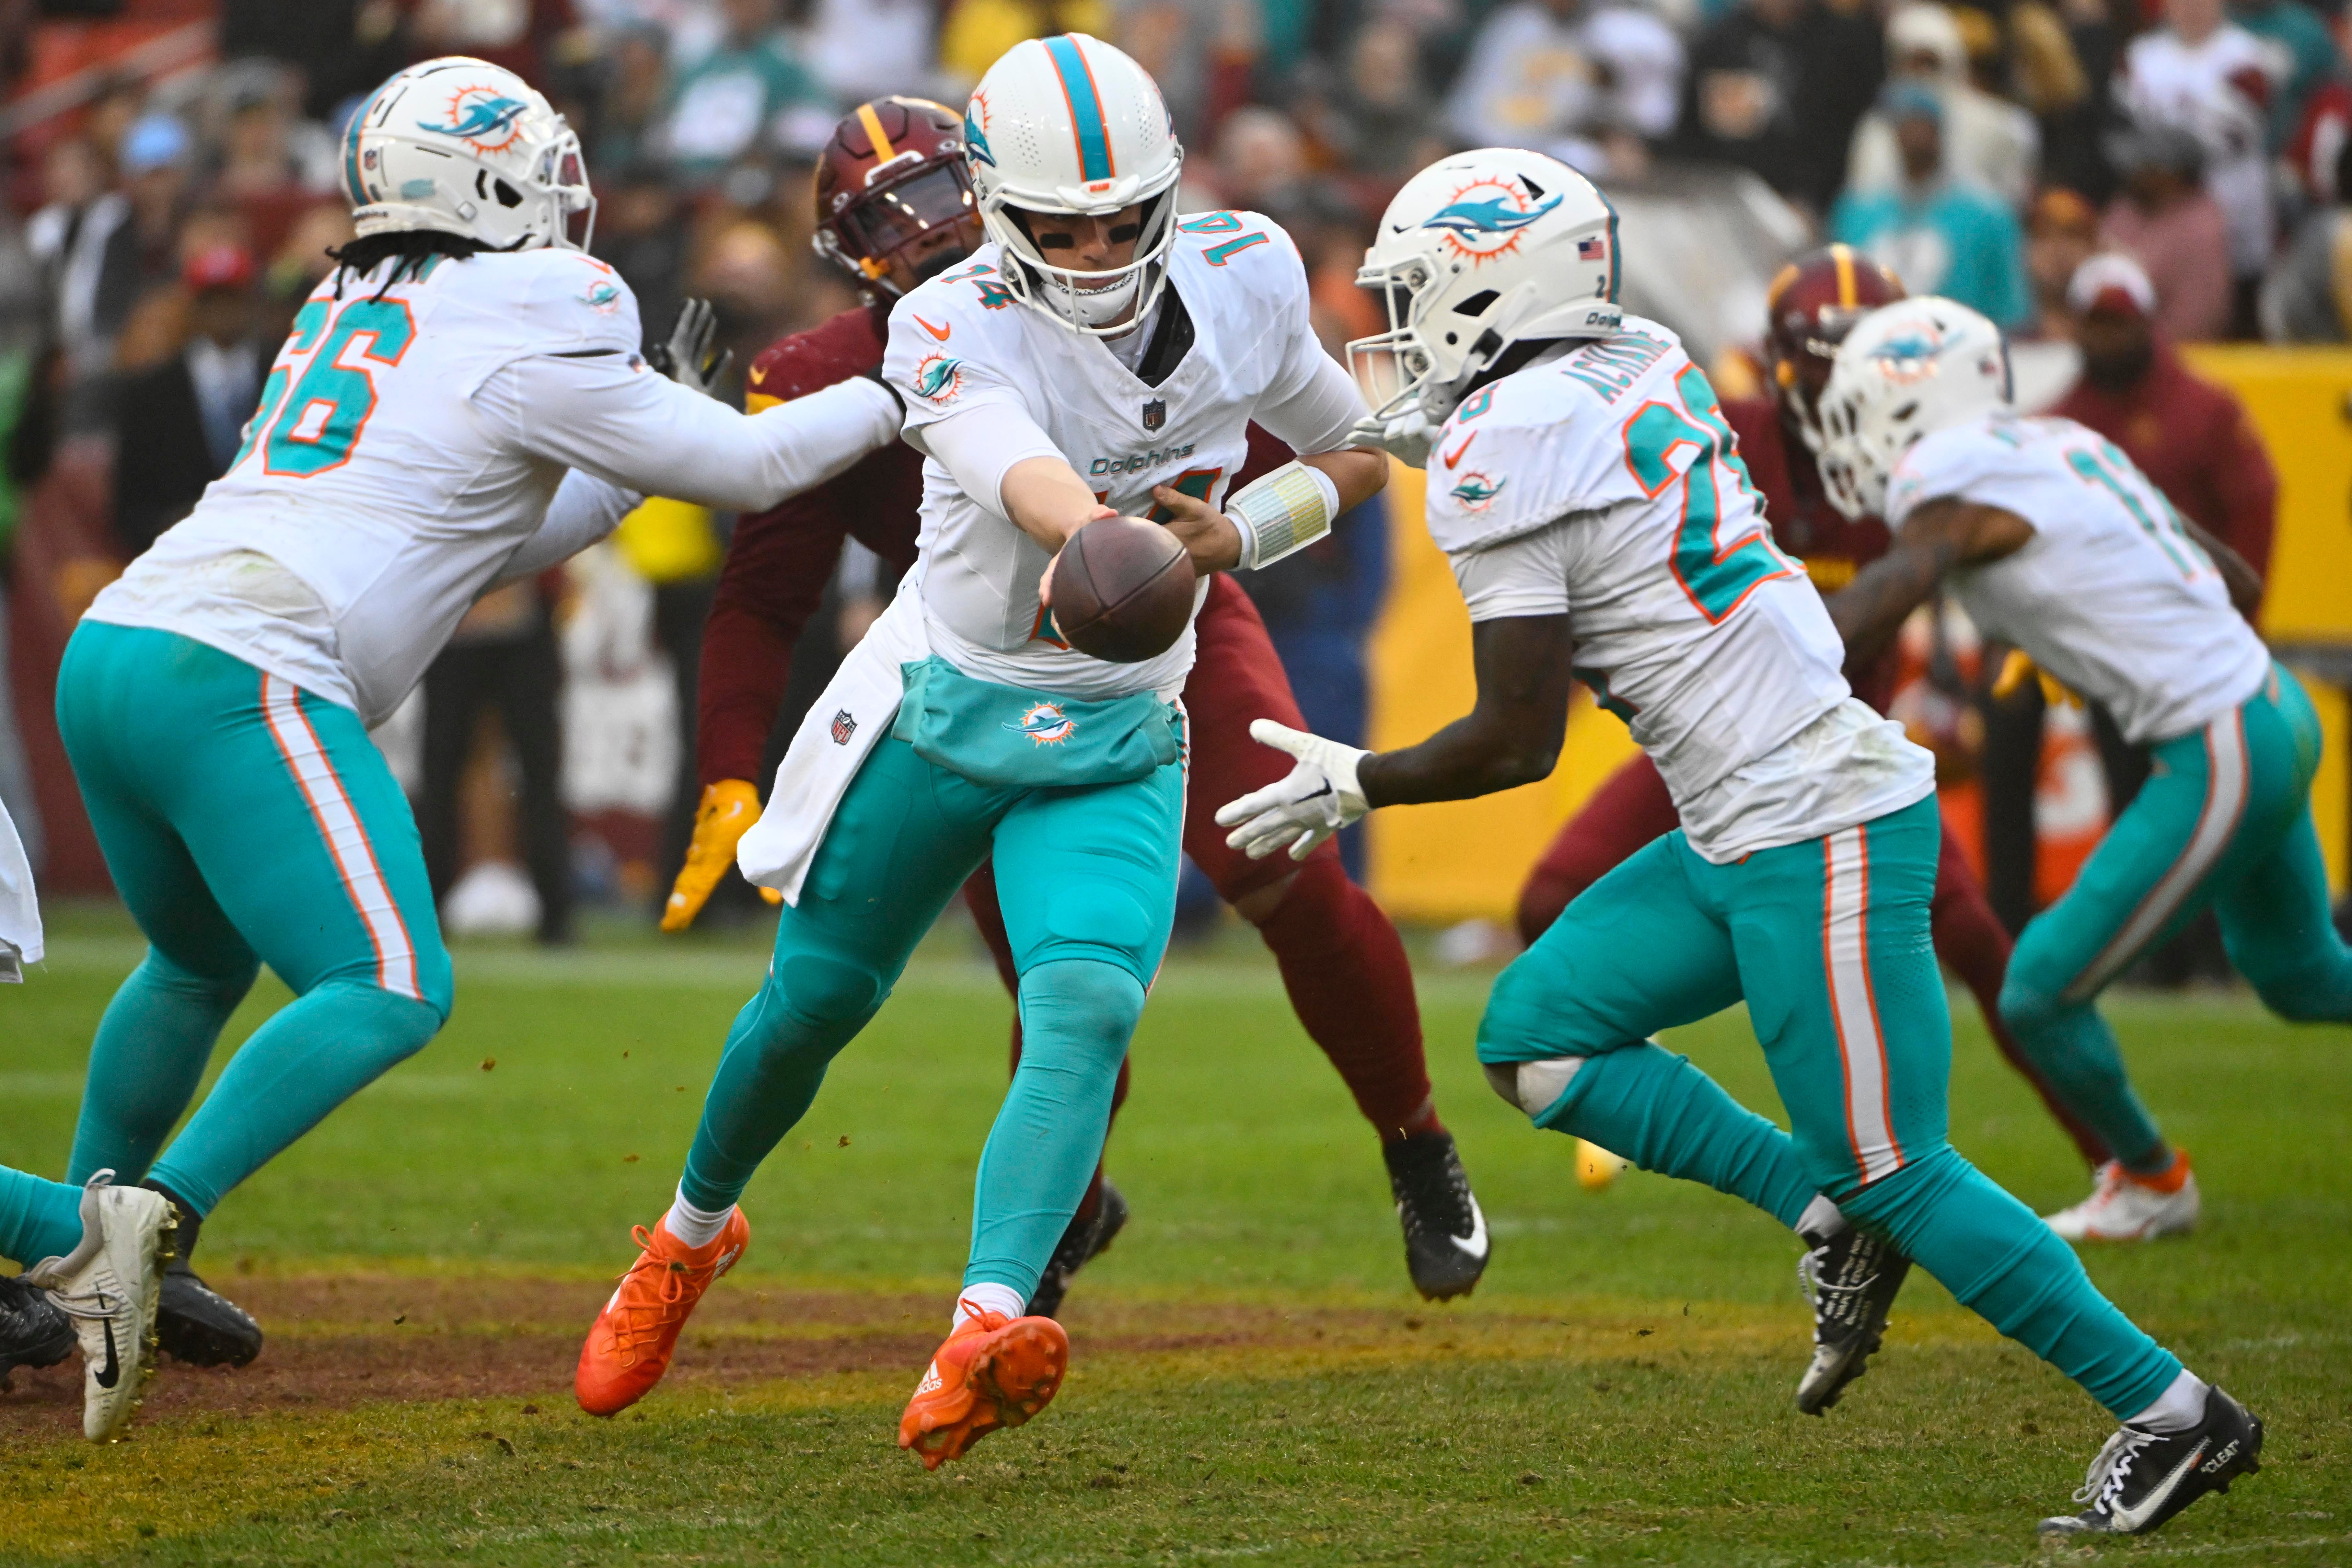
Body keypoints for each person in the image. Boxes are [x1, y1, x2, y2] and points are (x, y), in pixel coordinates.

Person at [1251, 150, 2264, 1537]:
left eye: (1419, 291)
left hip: (1813, 818)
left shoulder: (1509, 441)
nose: (1403, 322)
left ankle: (2170, 1409)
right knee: (1538, 1036)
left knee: (1901, 1164)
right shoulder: (1637, 354)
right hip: (1749, 808)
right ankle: (1821, 1207)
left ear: (1497, 284)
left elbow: (1515, 736)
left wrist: (1355, 780)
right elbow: (1487, 456)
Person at [574, 37, 1388, 1471]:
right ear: (997, 206)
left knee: (1081, 1011)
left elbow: (1358, 445)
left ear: (1170, 194)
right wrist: (1114, 537)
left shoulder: (1247, 269)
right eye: (1058, 220)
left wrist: (1238, 533)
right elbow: (1027, 475)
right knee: (815, 1001)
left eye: (1119, 217)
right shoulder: (945, 317)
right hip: (952, 700)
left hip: (1124, 724)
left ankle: (984, 1323)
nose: (1091, 246)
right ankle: (689, 1235)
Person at [50, 58, 903, 1374]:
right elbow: (753, 465)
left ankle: (78, 1272)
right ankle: (119, 1226)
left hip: (123, 645)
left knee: (195, 962)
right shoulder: (544, 294)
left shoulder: (354, 291)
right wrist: (918, 376)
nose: (568, 183)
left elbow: (473, 534)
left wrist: (624, 468)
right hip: (240, 666)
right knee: (389, 984)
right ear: (496, 178)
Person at [660, 97, 1485, 1319]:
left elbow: (1335, 442)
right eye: (892, 223)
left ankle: (1414, 1141)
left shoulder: (1160, 282)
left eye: (945, 200)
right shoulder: (843, 367)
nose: (931, 237)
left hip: (1159, 615)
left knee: (1289, 880)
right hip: (986, 662)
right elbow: (760, 600)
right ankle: (1037, 1257)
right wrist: (731, 764)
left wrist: (1230, 533)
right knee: (1060, 985)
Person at [1514, 245, 2111, 1173]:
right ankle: (1632, 1096)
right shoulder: (1718, 433)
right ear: (1785, 365)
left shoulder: (1906, 467)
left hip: (1844, 768)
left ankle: (2118, 1159)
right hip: (1705, 749)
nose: (1848, 392)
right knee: (1547, 899)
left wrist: (1968, 678)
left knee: (1982, 950)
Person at [1817, 295, 2350, 1251]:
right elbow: (2232, 579)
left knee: (2038, 989)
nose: (1850, 435)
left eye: (1859, 407)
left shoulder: (1949, 477)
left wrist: (1787, 647)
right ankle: (2146, 1177)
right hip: (2274, 707)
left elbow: (1910, 573)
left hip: (2219, 736)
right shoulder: (2060, 442)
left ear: (1912, 404)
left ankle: (2148, 1178)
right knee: (2301, 975)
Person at [1830, 83, 2032, 329]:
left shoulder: (1988, 214)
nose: (1913, 134)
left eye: (1920, 123)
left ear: (1938, 130)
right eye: (1904, 123)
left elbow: (2010, 307)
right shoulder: (1858, 211)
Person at [110, 245, 266, 559]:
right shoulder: (150, 393)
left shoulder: (284, 377)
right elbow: (128, 505)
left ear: (252, 303)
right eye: (212, 300)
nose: (223, 311)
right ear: (193, 306)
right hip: (180, 562)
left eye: (234, 298)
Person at [1845, 4, 2039, 207]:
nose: (1920, 76)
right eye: (1910, 63)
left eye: (1929, 63)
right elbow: (1861, 200)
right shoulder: (1875, 132)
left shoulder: (1996, 126)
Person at [2100, 124, 2233, 344]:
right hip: (2107, 342)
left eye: (2145, 168)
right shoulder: (2127, 208)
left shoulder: (2200, 229)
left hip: (2162, 355)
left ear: (2174, 175)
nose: (2132, 174)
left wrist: (2124, 345)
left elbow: (2194, 325)